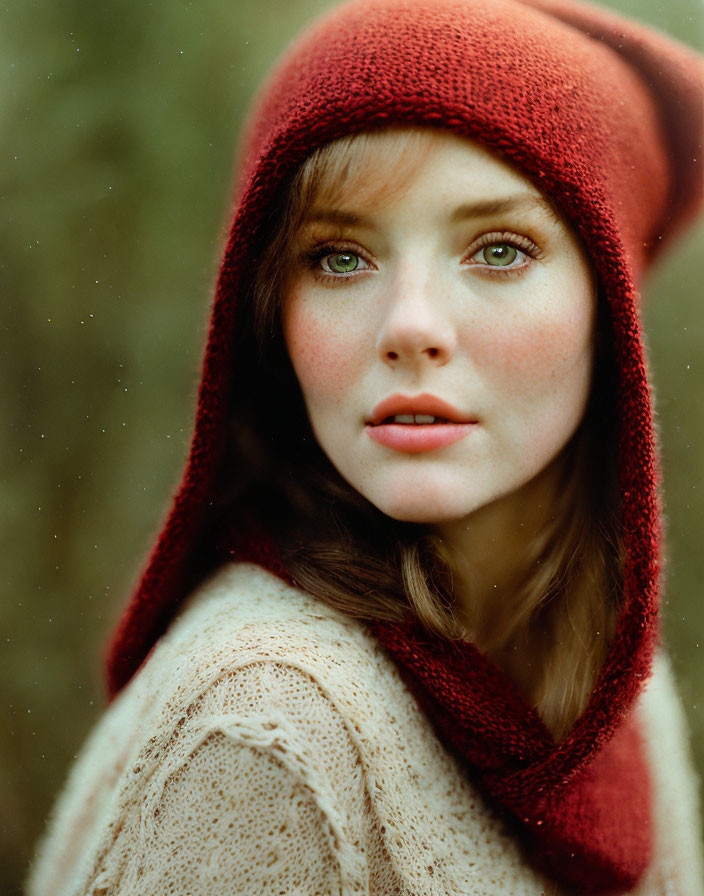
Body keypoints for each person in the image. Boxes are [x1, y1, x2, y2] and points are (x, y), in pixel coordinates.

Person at [27, 0, 703, 892]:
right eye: (339, 257)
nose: (410, 326)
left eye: (499, 249)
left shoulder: (614, 679)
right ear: (267, 311)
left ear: (610, 309)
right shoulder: (271, 724)